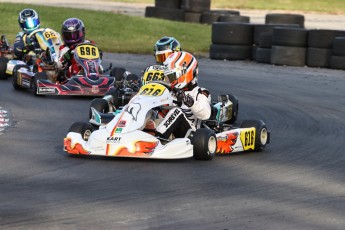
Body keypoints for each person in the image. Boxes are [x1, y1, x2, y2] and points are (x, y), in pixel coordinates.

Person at [155, 51, 212, 139]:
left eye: (172, 76)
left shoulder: (201, 93)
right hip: (167, 129)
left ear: (185, 73)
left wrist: (190, 102)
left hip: (191, 135)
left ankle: (157, 138)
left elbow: (205, 115)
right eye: (168, 76)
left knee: (176, 111)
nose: (169, 80)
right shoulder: (169, 91)